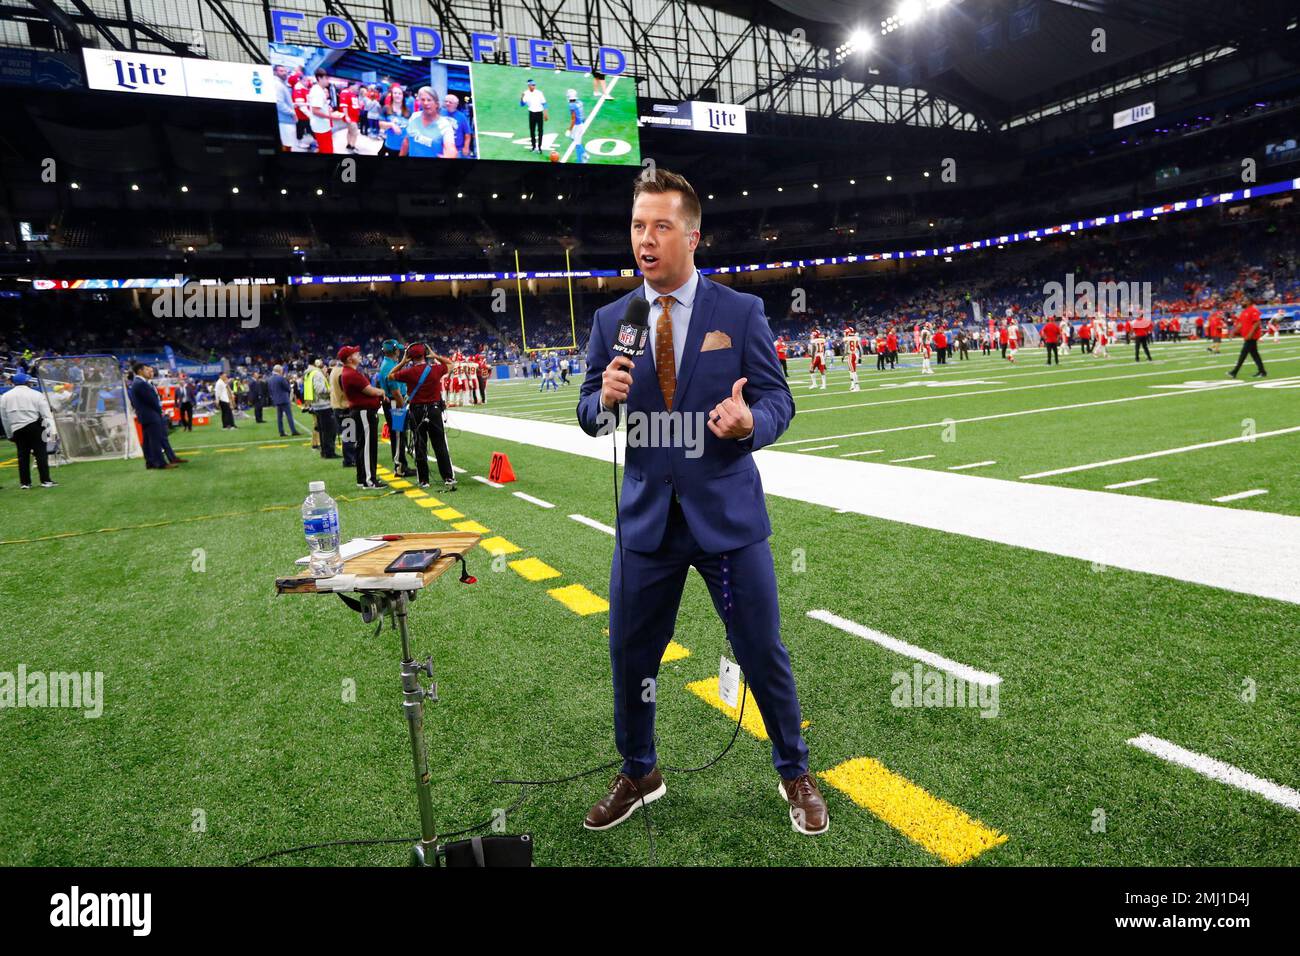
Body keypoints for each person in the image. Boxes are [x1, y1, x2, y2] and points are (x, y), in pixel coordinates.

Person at [576, 168, 825, 836]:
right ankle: (639, 769)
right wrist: (601, 402)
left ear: (691, 235)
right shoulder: (612, 320)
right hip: (645, 523)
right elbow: (588, 415)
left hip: (728, 519)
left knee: (761, 650)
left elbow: (778, 400)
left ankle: (793, 769)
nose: (645, 239)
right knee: (630, 655)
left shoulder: (739, 312)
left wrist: (751, 427)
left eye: (660, 225)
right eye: (637, 225)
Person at [389, 343, 457, 491]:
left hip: (417, 412)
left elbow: (391, 375)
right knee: (440, 445)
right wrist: (436, 356)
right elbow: (451, 364)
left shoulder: (409, 372)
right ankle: (448, 477)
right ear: (425, 354)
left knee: (420, 446)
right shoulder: (436, 369)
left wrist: (403, 362)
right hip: (434, 410)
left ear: (411, 357)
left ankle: (424, 480)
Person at [337, 345, 385, 488]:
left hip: (360, 412)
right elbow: (370, 391)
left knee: (362, 446)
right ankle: (369, 480)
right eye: (356, 353)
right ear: (349, 358)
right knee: (368, 447)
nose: (359, 355)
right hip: (364, 412)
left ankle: (362, 478)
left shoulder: (348, 372)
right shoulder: (352, 374)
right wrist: (381, 391)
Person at [1, 371, 58, 489]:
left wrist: (9, 434)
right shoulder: (36, 394)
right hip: (34, 426)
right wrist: (52, 431)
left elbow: (4, 418)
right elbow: (46, 414)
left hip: (17, 428)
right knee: (41, 454)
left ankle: (25, 483)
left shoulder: (5, 396)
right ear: (27, 382)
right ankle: (45, 480)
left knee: (22, 456)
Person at [128, 363, 186, 469]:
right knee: (155, 440)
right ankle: (160, 463)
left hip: (148, 415)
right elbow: (152, 401)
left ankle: (151, 462)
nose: (150, 372)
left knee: (148, 441)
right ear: (140, 371)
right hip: (151, 415)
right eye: (146, 370)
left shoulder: (140, 383)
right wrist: (159, 411)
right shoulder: (141, 383)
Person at [377, 340, 412, 476]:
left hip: (393, 402)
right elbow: (396, 392)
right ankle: (400, 467)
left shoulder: (389, 364)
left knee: (399, 435)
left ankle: (401, 465)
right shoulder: (388, 366)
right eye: (399, 350)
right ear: (395, 351)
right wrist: (402, 406)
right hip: (395, 403)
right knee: (398, 435)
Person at [402, 87, 457, 158]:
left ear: (436, 104)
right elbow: (406, 141)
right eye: (423, 100)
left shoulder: (445, 125)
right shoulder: (414, 116)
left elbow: (450, 148)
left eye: (429, 100)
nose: (425, 103)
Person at [304, 359, 337, 458]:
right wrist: (332, 389)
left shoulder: (309, 373)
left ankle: (325, 452)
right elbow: (320, 390)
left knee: (323, 431)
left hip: (317, 405)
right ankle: (329, 452)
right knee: (329, 431)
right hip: (323, 405)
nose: (326, 369)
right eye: (324, 367)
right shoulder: (317, 374)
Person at [1227, 300, 1267, 378]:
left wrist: (1250, 334)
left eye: (1244, 301)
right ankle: (1262, 372)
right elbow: (1240, 324)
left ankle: (1234, 372)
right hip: (1247, 336)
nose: (1242, 302)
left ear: (1249, 302)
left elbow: (1257, 323)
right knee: (1255, 355)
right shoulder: (1244, 312)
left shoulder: (1253, 310)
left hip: (1251, 337)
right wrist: (1233, 332)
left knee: (1243, 354)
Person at [328, 358, 355, 468]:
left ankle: (349, 458)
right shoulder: (341, 372)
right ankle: (349, 459)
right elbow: (346, 389)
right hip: (344, 407)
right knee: (349, 436)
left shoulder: (333, 371)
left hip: (337, 406)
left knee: (346, 435)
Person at [267, 364, 299, 436]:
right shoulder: (281, 378)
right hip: (284, 399)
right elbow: (288, 388)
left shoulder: (270, 379)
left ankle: (281, 432)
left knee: (279, 417)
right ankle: (293, 430)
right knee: (289, 416)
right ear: (279, 370)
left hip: (276, 400)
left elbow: (270, 391)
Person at [519, 78, 548, 154]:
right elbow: (521, 104)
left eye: (534, 85)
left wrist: (545, 113)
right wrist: (521, 97)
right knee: (532, 131)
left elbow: (544, 103)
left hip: (539, 113)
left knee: (540, 130)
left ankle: (540, 147)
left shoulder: (539, 93)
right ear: (529, 86)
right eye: (532, 85)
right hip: (531, 113)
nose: (534, 86)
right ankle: (533, 147)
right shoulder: (526, 93)